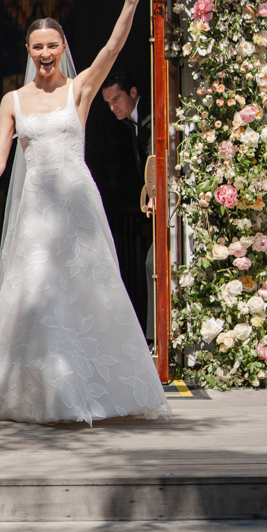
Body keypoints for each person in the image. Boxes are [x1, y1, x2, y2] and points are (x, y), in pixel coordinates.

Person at [0, 0, 170, 425]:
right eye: (38, 46)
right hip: (35, 207)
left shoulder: (81, 89)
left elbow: (112, 48)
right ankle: (41, 388)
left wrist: (131, 1)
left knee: (87, 291)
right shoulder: (12, 100)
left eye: (53, 45)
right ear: (29, 51)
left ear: (63, 46)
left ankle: (92, 385)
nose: (46, 53)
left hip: (76, 203)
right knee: (36, 292)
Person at [101, 68, 155, 338]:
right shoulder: (132, 122)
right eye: (108, 103)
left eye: (116, 100)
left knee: (152, 265)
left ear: (133, 93)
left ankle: (155, 337)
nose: (112, 108)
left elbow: (152, 163)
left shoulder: (148, 119)